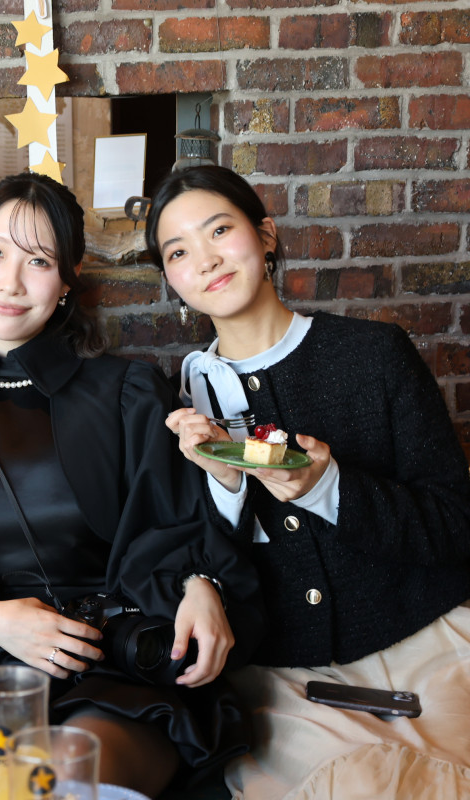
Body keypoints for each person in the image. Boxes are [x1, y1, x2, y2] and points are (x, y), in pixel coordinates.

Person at [0, 172, 263, 800]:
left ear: (68, 281)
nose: (10, 282)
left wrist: (199, 584)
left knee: (62, 778)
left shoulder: (128, 392)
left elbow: (174, 526)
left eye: (39, 261)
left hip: (111, 663)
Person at [153, 164, 470, 799]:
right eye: (178, 252)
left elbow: (456, 527)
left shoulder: (375, 355)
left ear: (266, 235)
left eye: (220, 230)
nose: (206, 259)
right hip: (285, 683)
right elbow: (183, 554)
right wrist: (226, 485)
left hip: (433, 643)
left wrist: (330, 490)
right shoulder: (177, 405)